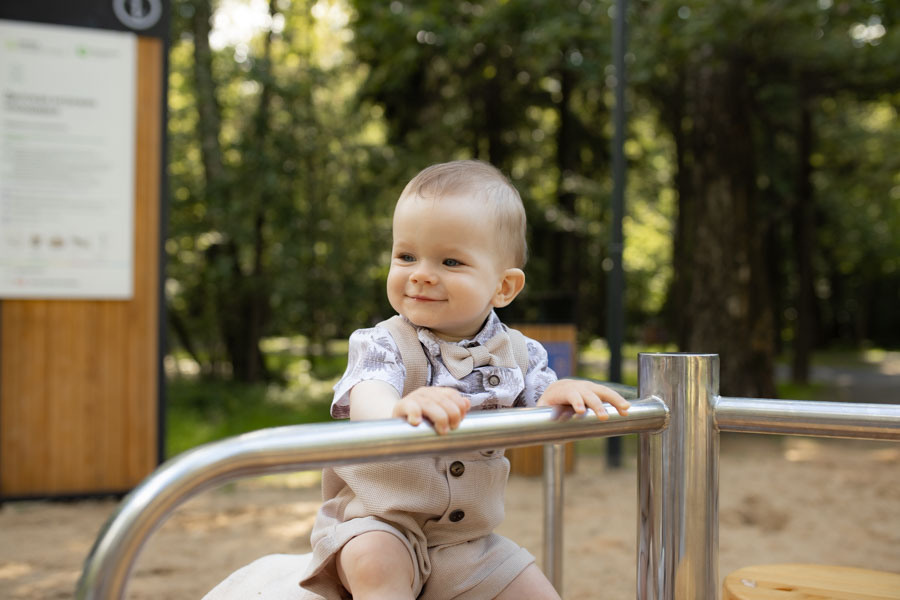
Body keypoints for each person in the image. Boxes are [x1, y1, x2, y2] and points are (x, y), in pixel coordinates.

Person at [299, 160, 630, 600]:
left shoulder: (521, 352)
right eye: (406, 256)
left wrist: (561, 392)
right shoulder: (383, 343)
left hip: (465, 544)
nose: (420, 273)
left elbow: (539, 395)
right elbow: (367, 394)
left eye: (450, 261)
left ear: (504, 288)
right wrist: (395, 411)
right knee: (377, 564)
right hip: (377, 521)